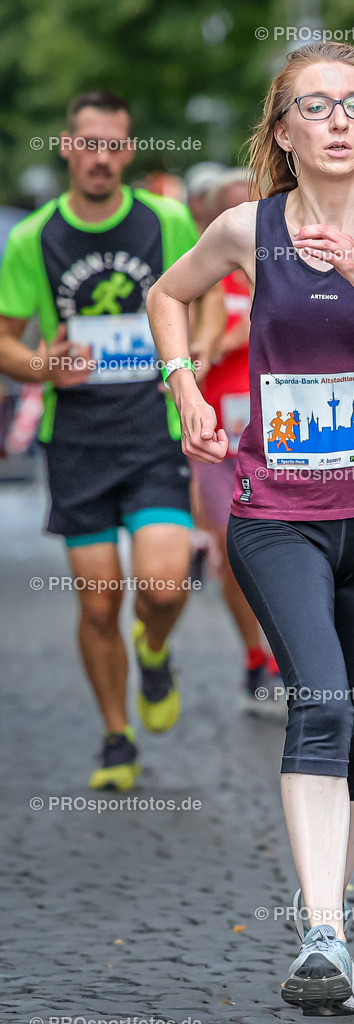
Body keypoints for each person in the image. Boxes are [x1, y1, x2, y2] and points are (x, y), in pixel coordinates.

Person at [146, 42, 354, 1016]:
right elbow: (163, 297)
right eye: (314, 105)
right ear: (283, 131)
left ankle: (321, 892)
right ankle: (326, 937)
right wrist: (184, 392)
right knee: (323, 703)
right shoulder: (245, 228)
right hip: (275, 515)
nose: (336, 119)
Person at [0, 90, 199, 790]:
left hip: (153, 433)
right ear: (67, 146)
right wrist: (42, 365)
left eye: (115, 145)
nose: (102, 158)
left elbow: (199, 298)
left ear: (128, 150)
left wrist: (185, 368)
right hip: (77, 441)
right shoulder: (34, 239)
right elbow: (6, 340)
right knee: (96, 603)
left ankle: (154, 649)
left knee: (165, 587)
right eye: (90, 143)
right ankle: (117, 735)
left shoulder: (166, 220)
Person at [190, 171, 285, 716]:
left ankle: (291, 654)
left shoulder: (290, 268)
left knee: (288, 546)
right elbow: (186, 354)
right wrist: (236, 335)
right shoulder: (204, 277)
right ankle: (255, 655)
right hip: (222, 437)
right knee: (234, 551)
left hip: (289, 433)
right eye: (234, 208)